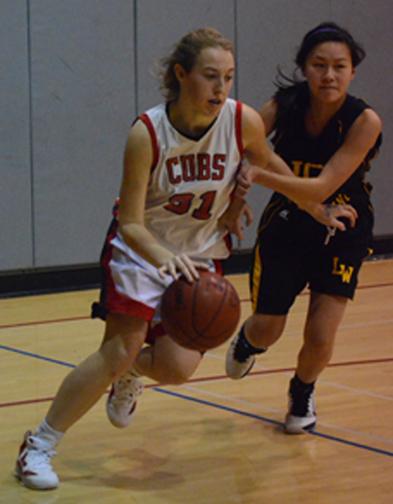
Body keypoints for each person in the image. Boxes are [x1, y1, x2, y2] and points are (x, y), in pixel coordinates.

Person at [15, 27, 356, 491]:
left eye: (230, 78)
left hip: (199, 251)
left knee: (178, 368)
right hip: (141, 250)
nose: (221, 89)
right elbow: (131, 222)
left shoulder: (241, 121)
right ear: (182, 74)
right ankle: (39, 444)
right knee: (118, 349)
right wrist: (161, 258)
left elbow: (272, 167)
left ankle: (133, 371)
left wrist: (319, 207)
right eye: (211, 76)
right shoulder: (147, 133)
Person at [225, 22, 382, 434]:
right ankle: (248, 340)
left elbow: (324, 186)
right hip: (289, 224)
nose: (329, 75)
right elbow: (237, 146)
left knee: (320, 334)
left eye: (339, 66)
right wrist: (235, 199)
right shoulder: (283, 105)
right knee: (267, 329)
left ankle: (302, 389)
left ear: (352, 72)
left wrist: (259, 175)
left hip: (344, 226)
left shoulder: (365, 121)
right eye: (319, 65)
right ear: (304, 68)